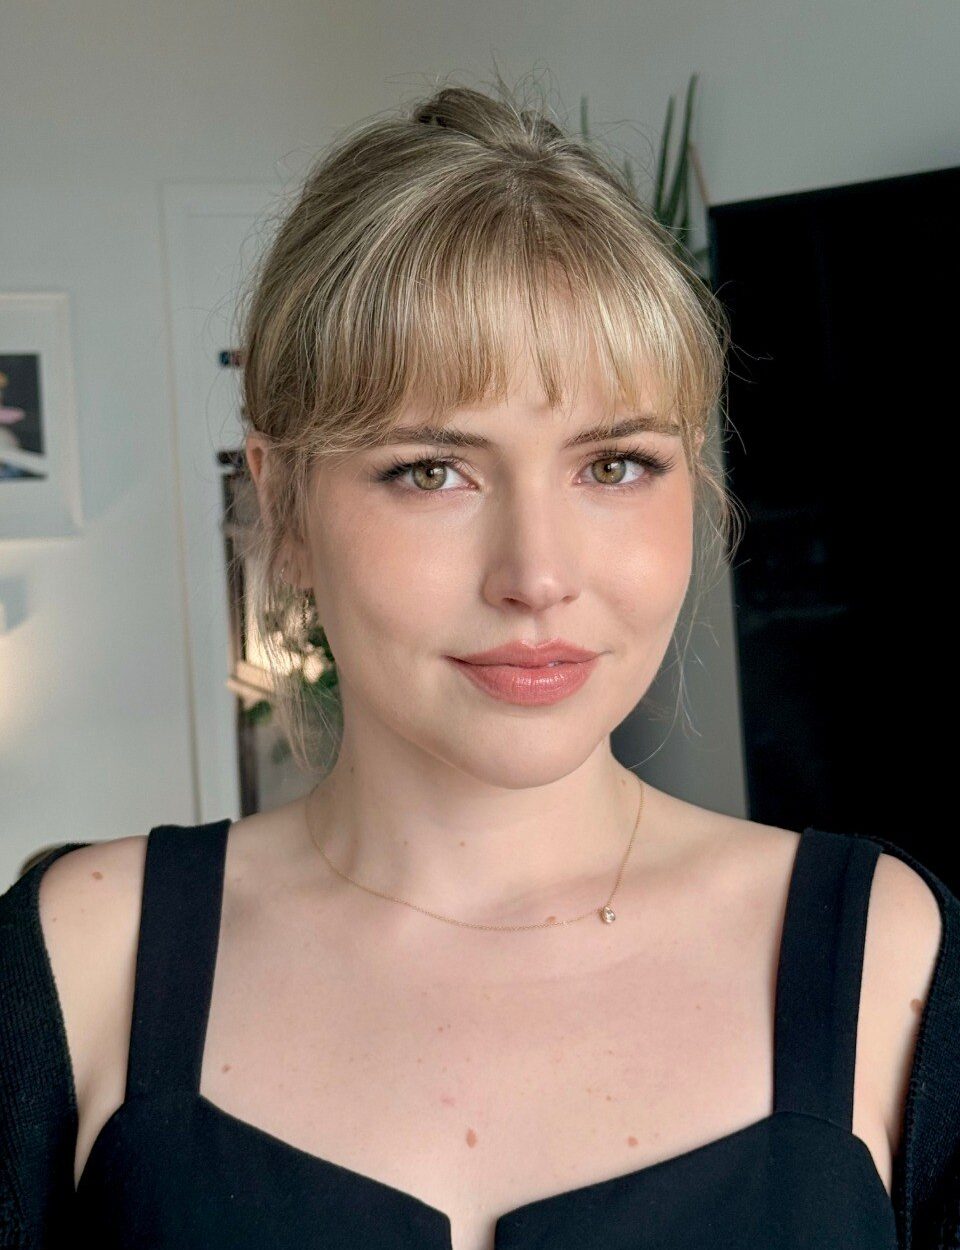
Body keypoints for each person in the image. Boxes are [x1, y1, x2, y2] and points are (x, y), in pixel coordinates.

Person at [3, 76, 959, 1250]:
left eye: (614, 464)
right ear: (283, 505)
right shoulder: (77, 958)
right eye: (431, 470)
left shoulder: (894, 960)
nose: (536, 574)